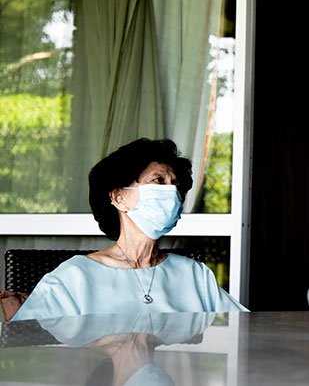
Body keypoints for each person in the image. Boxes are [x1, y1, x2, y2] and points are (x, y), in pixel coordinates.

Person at [12, 138, 247, 321]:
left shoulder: (196, 275)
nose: (172, 193)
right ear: (119, 197)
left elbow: (244, 331)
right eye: (159, 181)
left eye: (176, 184)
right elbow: (26, 348)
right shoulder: (73, 278)